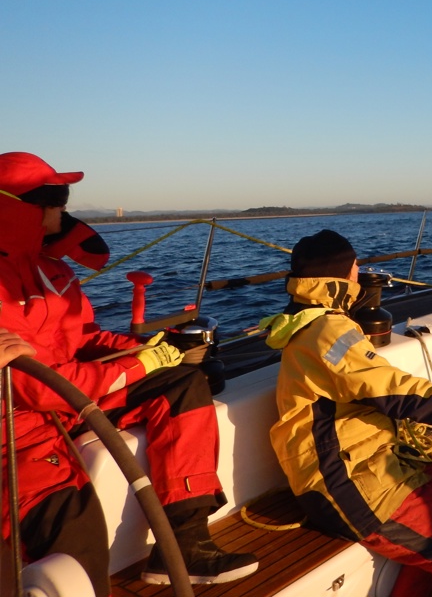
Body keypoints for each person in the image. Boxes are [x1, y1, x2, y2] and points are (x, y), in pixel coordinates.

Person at [0, 151, 258, 594]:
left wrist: (150, 349)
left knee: (182, 384)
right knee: (74, 553)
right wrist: (137, 365)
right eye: (56, 201)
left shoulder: (52, 270)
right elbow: (37, 387)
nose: (63, 210)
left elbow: (82, 338)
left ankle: (187, 541)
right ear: (23, 208)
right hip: (21, 427)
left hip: (73, 397)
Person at [262, 229, 432, 597]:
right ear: (342, 276)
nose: (360, 272)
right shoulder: (326, 331)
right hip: (342, 483)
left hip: (372, 461)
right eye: (355, 266)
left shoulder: (318, 323)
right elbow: (394, 393)